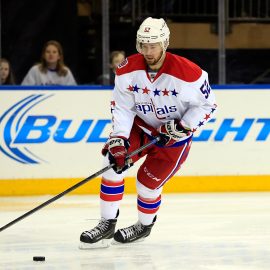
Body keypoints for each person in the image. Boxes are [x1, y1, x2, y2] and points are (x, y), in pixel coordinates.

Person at [79, 17, 217, 248]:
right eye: (144, 45)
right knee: (111, 162)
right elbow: (122, 107)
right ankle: (107, 223)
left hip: (173, 138)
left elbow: (208, 105)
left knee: (146, 184)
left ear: (165, 43)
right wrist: (120, 139)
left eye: (153, 45)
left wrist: (182, 126)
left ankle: (143, 226)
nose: (148, 51)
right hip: (140, 127)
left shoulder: (189, 74)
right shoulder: (127, 69)